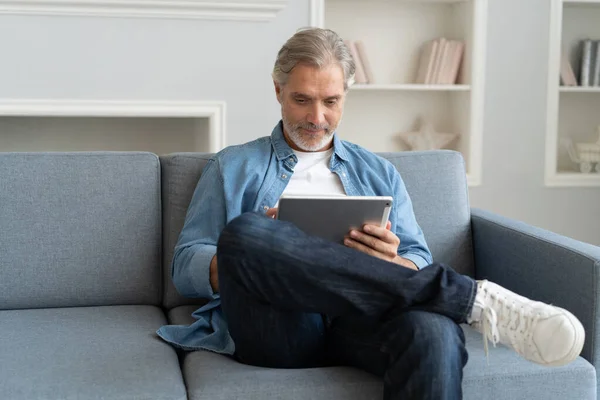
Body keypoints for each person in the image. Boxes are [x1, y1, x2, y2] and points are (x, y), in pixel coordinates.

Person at [157, 27, 585, 399]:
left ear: (346, 95)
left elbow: (417, 259)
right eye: (302, 100)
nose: (317, 117)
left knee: (433, 333)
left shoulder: (380, 173)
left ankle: (460, 303)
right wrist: (271, 250)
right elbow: (185, 265)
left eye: (331, 101)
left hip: (361, 320)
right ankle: (469, 299)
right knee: (245, 235)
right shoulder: (231, 166)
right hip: (279, 326)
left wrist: (392, 259)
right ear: (277, 91)